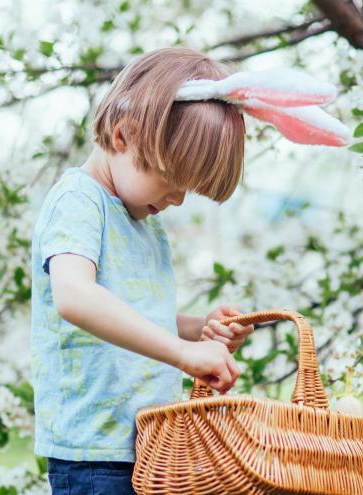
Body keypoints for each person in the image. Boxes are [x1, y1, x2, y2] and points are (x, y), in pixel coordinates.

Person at [29, 46, 256, 495]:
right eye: (171, 181)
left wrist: (197, 329)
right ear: (122, 136)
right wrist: (182, 353)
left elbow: (135, 313)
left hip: (150, 448)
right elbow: (76, 297)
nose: (177, 199)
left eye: (186, 189)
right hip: (95, 454)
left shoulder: (144, 223)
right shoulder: (78, 199)